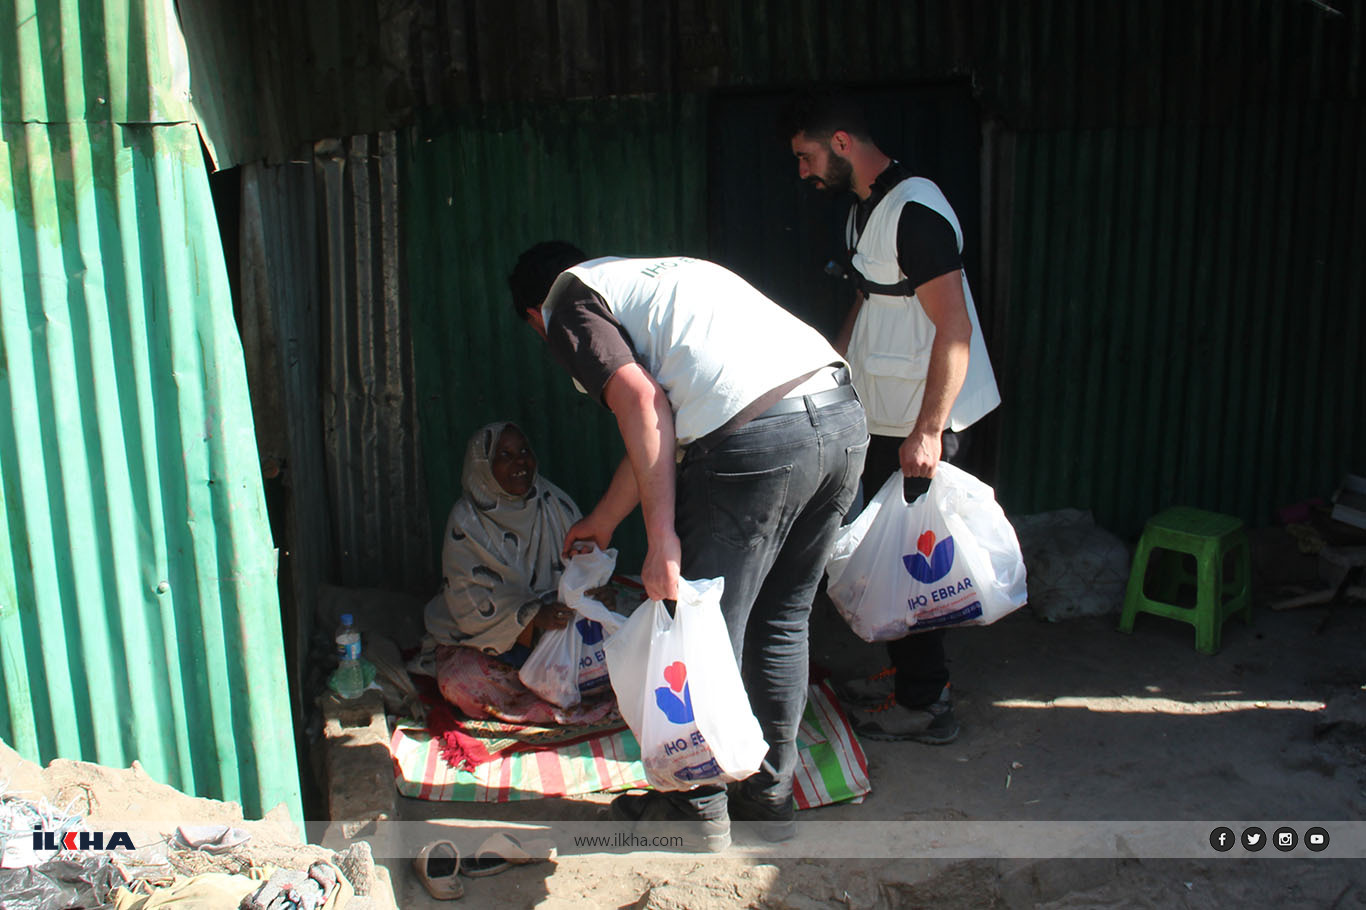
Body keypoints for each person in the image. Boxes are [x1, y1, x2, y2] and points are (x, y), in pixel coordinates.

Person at [507, 243, 868, 850]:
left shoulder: (568, 301)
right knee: (783, 619)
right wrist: (602, 519)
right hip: (839, 422)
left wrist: (661, 540)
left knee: (701, 624)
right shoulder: (660, 280)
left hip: (757, 443)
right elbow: (656, 424)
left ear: (533, 315)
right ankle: (770, 797)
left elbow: (641, 404)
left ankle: (696, 807)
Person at [778, 90, 1002, 744]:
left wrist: (930, 431)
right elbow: (869, 304)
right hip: (883, 408)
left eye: (805, 156)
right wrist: (830, 373)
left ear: (841, 142)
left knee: (910, 554)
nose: (802, 171)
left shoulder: (915, 213)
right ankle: (912, 679)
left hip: (924, 417)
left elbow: (954, 326)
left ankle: (926, 706)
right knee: (885, 547)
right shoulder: (862, 214)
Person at [423, 421, 617, 726]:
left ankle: (549, 696)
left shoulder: (554, 504)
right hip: (496, 646)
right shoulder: (466, 521)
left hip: (560, 636)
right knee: (461, 681)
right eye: (505, 455)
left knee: (626, 650)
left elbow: (586, 567)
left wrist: (598, 592)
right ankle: (556, 700)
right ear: (483, 466)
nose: (520, 462)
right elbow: (467, 603)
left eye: (524, 451)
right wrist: (532, 619)